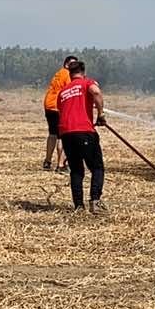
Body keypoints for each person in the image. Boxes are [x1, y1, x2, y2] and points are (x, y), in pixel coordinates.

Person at [56, 60, 106, 212]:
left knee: (76, 170)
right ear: (83, 72)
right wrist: (101, 114)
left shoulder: (63, 91)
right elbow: (96, 92)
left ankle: (79, 206)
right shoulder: (86, 83)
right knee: (97, 167)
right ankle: (95, 202)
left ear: (70, 75)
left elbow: (62, 110)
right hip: (84, 131)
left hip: (66, 134)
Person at [42, 55, 78, 171]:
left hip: (49, 105)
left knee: (52, 134)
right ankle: (60, 165)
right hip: (58, 107)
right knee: (62, 136)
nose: (74, 67)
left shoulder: (59, 73)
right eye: (73, 64)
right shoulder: (68, 74)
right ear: (66, 64)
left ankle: (47, 161)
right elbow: (70, 91)